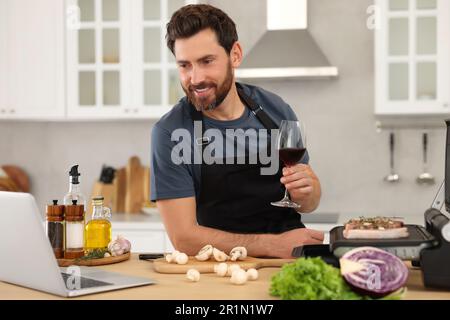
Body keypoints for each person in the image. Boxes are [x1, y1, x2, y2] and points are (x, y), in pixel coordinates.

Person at [150, 4, 323, 258]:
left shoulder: (275, 110)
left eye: (207, 61)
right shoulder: (171, 132)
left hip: (291, 258)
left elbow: (308, 203)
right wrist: (272, 245)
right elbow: (184, 238)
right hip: (219, 267)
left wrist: (310, 190)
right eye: (184, 65)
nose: (195, 78)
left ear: (235, 55)